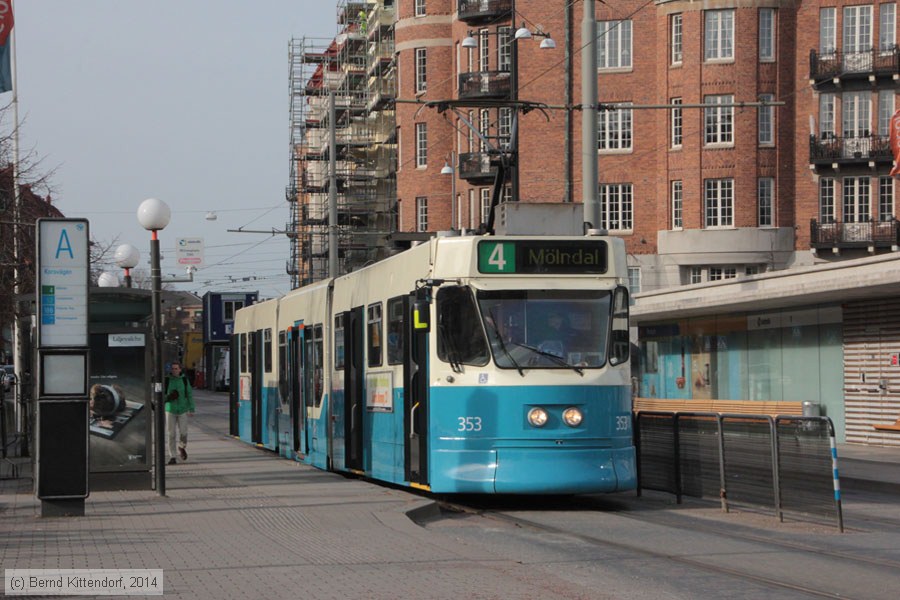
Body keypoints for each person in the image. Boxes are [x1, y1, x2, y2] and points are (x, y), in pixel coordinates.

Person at [165, 361, 195, 465]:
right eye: (172, 369)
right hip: (170, 409)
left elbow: (189, 394)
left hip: (182, 409)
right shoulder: (167, 380)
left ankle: (182, 447)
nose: (174, 370)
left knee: (184, 433)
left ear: (180, 369)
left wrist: (191, 408)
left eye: (176, 368)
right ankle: (172, 456)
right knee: (171, 434)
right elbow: (160, 395)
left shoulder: (184, 380)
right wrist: (168, 397)